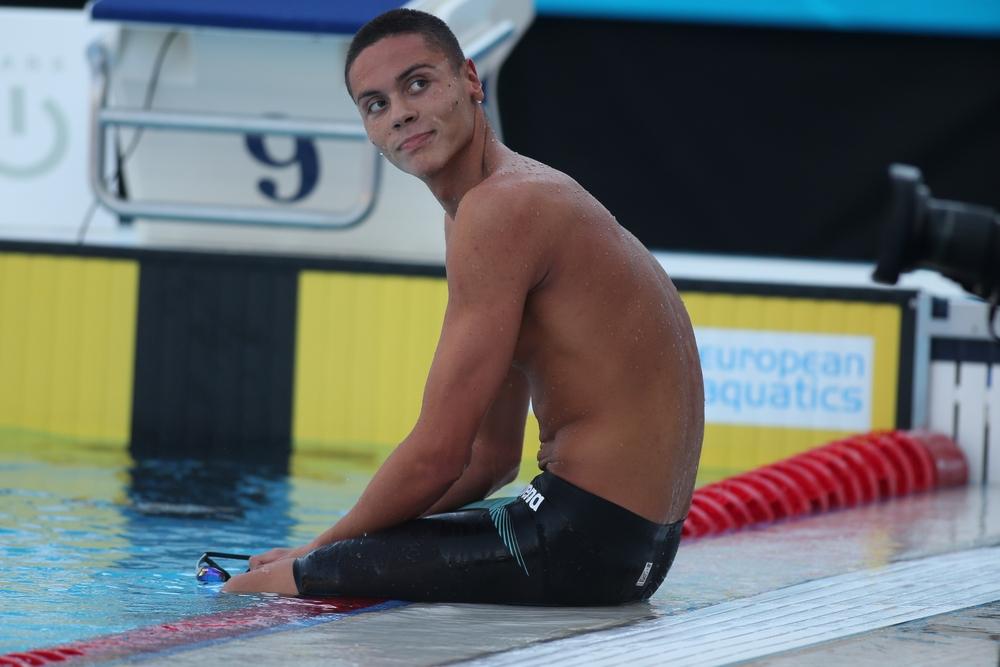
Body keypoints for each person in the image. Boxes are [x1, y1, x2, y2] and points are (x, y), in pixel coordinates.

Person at [223, 8, 704, 605]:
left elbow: (439, 455)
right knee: (330, 561)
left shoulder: (500, 209)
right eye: (376, 104)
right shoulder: (507, 199)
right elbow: (489, 459)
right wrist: (335, 548)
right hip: (631, 547)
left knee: (257, 589)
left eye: (417, 84)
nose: (400, 112)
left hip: (580, 539)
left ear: (471, 80)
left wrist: (316, 551)